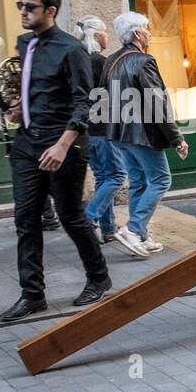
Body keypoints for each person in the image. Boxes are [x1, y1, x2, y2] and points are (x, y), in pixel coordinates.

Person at [0, 0, 111, 322]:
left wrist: (63, 145)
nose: (23, 12)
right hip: (27, 143)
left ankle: (99, 277)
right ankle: (32, 295)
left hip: (64, 144)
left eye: (29, 7)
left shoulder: (70, 49)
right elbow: (39, 87)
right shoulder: (24, 44)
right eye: (20, 5)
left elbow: (85, 101)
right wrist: (22, 108)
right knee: (26, 219)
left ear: (51, 11)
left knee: (70, 216)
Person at [99, 11, 190, 259]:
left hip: (119, 134)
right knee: (161, 180)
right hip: (142, 134)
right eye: (147, 29)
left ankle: (141, 236)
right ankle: (134, 229)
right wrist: (176, 138)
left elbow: (103, 98)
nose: (150, 33)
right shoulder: (143, 61)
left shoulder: (112, 61)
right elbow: (156, 102)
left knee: (139, 181)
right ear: (138, 33)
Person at [75, 15, 125, 244]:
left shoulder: (78, 61)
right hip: (104, 129)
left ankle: (108, 228)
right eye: (104, 32)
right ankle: (90, 216)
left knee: (104, 177)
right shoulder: (100, 62)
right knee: (116, 176)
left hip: (87, 131)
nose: (107, 36)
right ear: (96, 35)